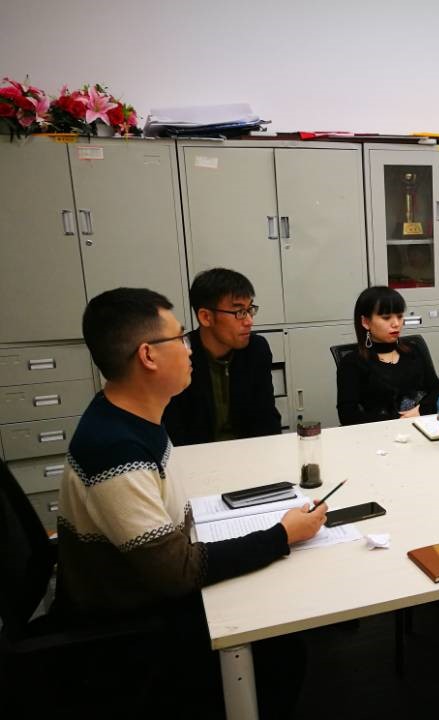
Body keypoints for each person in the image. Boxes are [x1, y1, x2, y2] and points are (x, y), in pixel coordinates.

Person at [57, 287, 326, 716]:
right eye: (179, 338)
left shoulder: (132, 417)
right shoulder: (116, 450)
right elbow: (176, 572)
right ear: (148, 355)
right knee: (282, 648)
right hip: (133, 625)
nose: (188, 349)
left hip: (147, 588)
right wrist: (281, 535)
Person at [163, 268, 281, 445]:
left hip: (250, 452)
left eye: (250, 310)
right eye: (239, 312)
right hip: (196, 456)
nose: (249, 321)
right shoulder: (180, 356)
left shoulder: (256, 349)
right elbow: (175, 430)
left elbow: (267, 417)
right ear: (206, 317)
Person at [336, 286, 439, 425]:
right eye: (386, 318)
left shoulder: (413, 350)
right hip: (381, 433)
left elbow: (438, 391)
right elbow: (348, 416)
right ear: (365, 322)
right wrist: (399, 420)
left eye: (399, 316)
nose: (396, 324)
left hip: (424, 426)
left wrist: (421, 410)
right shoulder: (352, 363)